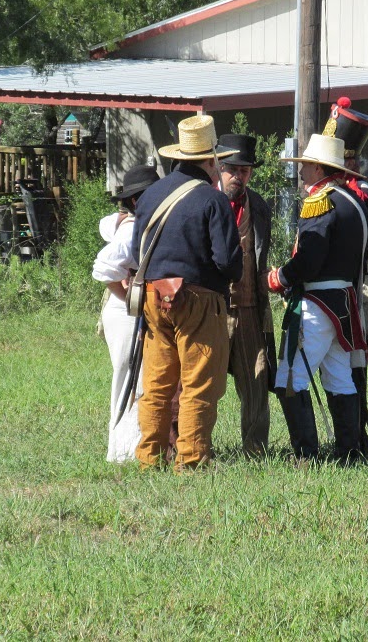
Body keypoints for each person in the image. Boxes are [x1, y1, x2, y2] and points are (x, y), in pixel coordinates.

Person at [132, 114, 242, 471]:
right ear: (211, 161)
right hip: (198, 299)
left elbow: (137, 253)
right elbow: (228, 262)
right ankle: (191, 461)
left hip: (152, 295)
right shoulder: (213, 200)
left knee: (157, 384)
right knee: (197, 386)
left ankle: (150, 458)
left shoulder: (149, 195)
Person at [268, 134, 368, 463]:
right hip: (342, 301)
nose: (301, 172)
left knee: (289, 376)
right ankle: (349, 454)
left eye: (305, 166)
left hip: (317, 303)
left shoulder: (319, 201)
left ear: (318, 167)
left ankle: (305, 456)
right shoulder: (354, 202)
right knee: (339, 375)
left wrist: (279, 276)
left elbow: (309, 258)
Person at [321, 96, 368, 457]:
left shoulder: (362, 196)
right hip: (332, 292)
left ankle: (356, 443)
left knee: (352, 364)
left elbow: (367, 246)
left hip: (355, 291)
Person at [92, 164, 159, 462]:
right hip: (124, 310)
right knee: (129, 375)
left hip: (133, 304)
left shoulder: (130, 223)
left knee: (143, 376)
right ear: (136, 201)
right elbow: (104, 267)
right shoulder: (133, 227)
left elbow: (107, 224)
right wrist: (129, 297)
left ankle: (135, 445)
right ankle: (122, 449)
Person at [217, 133, 276, 456]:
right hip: (211, 309)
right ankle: (194, 449)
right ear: (218, 167)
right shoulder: (203, 202)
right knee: (201, 383)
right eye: (232, 169)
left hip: (250, 308)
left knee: (256, 381)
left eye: (245, 170)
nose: (238, 176)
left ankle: (255, 451)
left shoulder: (261, 208)